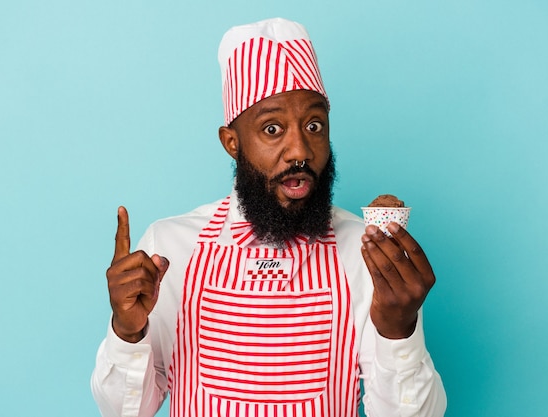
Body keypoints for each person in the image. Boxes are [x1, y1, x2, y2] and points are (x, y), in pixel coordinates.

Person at [91, 17, 446, 417]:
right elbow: (125, 412)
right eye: (272, 128)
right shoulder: (170, 248)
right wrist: (127, 331)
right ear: (232, 143)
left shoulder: (364, 253)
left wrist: (398, 328)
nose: (300, 150)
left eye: (314, 125)